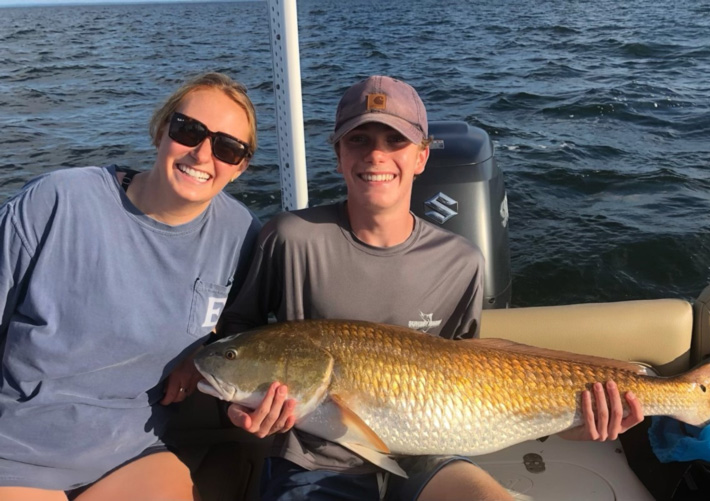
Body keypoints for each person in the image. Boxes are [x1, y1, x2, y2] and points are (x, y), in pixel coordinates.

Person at [217, 75, 645, 501]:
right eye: (359, 140)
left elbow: (472, 369)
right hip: (314, 460)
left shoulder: (461, 261)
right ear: (337, 154)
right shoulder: (290, 238)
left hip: (430, 456)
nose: (376, 155)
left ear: (422, 156)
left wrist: (578, 420)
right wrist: (236, 405)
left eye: (395, 141)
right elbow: (240, 328)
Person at [0, 72, 262, 501]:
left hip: (133, 447)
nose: (202, 154)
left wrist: (201, 353)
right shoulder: (57, 202)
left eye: (228, 148)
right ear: (161, 130)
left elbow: (241, 325)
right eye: (188, 131)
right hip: (19, 451)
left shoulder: (241, 234)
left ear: (240, 168)